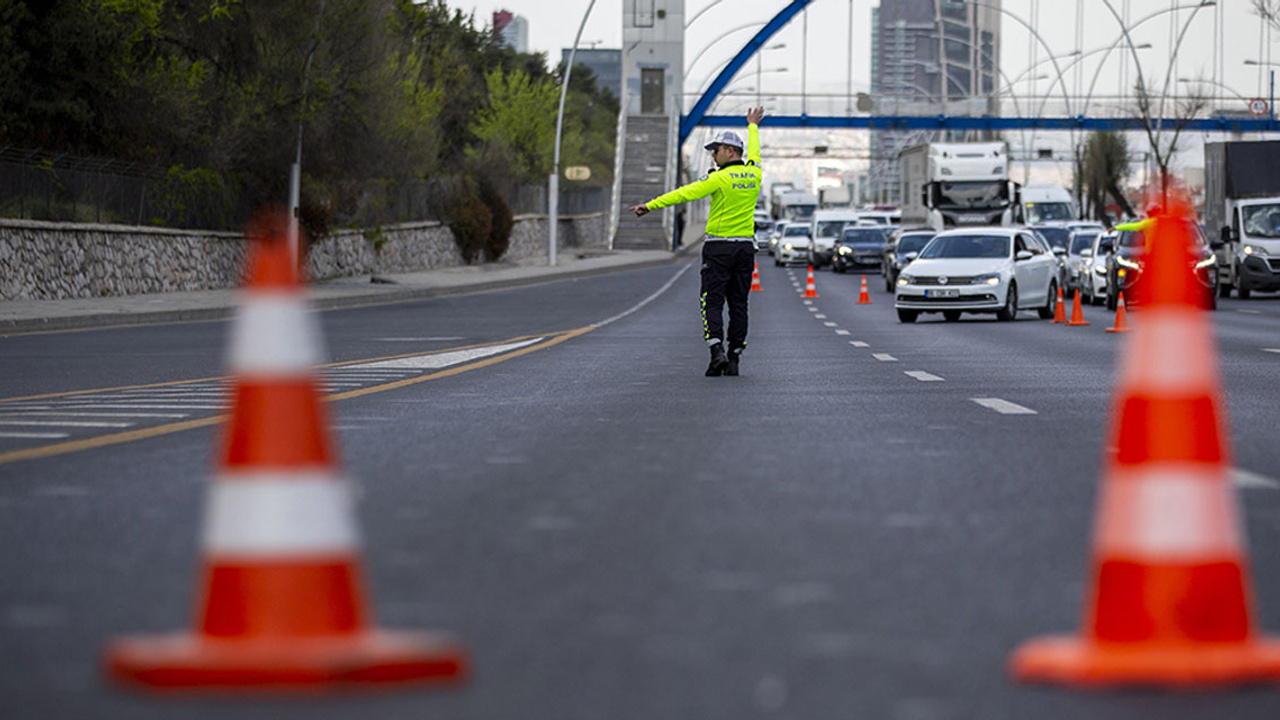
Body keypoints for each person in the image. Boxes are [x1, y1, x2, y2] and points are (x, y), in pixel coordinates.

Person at [629, 107, 765, 377]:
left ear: (728, 151)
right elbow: (756, 153)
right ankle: (735, 356)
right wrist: (752, 126)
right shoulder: (755, 174)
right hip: (745, 249)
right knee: (739, 303)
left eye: (715, 151)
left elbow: (684, 194)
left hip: (719, 248)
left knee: (711, 301)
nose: (713, 157)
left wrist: (650, 205)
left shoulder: (718, 178)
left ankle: (717, 352)